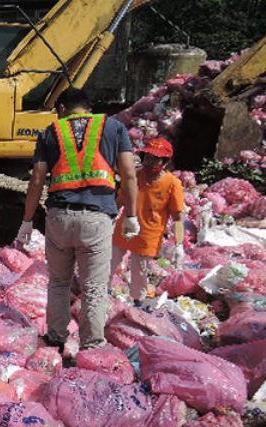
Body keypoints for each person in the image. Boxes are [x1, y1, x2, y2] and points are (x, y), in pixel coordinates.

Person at [15, 87, 140, 351]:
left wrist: (27, 220)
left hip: (59, 217)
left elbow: (37, 179)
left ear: (62, 109)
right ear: (88, 107)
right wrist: (131, 215)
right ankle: (92, 346)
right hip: (96, 219)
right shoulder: (114, 128)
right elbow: (129, 174)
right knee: (93, 287)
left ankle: (56, 339)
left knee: (59, 282)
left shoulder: (51, 131)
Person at [111, 137, 185, 306]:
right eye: (148, 157)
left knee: (139, 271)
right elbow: (120, 200)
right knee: (109, 262)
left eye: (156, 159)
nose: (150, 162)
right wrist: (109, 216)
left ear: (165, 161)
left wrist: (179, 244)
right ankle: (102, 294)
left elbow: (178, 217)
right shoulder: (134, 176)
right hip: (125, 228)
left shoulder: (172, 184)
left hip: (148, 236)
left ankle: (138, 302)